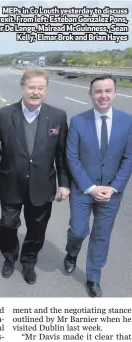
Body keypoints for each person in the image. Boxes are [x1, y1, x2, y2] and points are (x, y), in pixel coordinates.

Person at [0, 68, 71, 284]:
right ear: (22, 88)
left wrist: (64, 184)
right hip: (11, 184)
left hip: (42, 184)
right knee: (7, 224)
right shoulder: (3, 115)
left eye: (40, 88)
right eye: (31, 87)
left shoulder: (57, 116)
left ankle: (28, 262)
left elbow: (61, 155)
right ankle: (9, 257)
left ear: (45, 90)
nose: (35, 92)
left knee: (37, 229)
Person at [64, 74, 132, 297]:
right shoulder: (78, 121)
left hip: (112, 192)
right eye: (98, 91)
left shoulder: (127, 121)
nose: (103, 95)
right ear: (91, 94)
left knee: (101, 235)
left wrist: (113, 188)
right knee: (78, 230)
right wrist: (91, 188)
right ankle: (72, 252)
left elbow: (129, 158)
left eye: (107, 91)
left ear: (115, 93)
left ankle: (93, 276)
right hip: (83, 190)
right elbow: (72, 158)